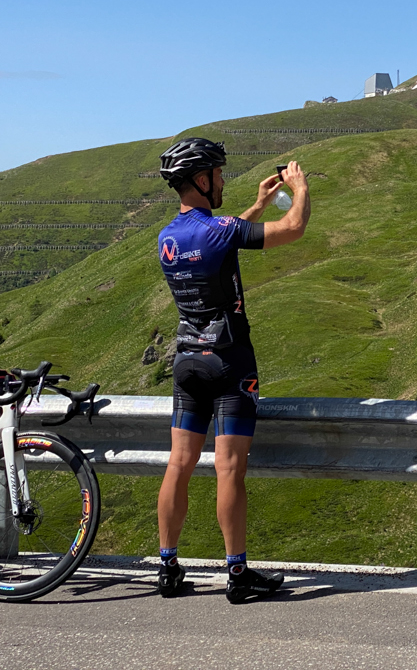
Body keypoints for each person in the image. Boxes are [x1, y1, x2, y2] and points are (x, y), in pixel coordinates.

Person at [153, 137, 310, 601]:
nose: (223, 180)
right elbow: (294, 229)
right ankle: (238, 574)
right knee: (228, 469)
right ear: (200, 180)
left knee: (179, 463)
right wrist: (298, 189)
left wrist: (259, 203)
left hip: (186, 361)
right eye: (218, 174)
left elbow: (220, 237)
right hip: (229, 360)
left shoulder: (168, 237)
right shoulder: (219, 231)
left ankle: (167, 568)